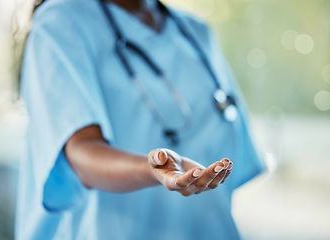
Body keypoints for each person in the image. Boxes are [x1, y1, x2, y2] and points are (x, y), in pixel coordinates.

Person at [16, 0, 265, 239]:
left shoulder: (196, 32)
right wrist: (154, 169)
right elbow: (80, 152)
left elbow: (230, 161)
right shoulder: (62, 21)